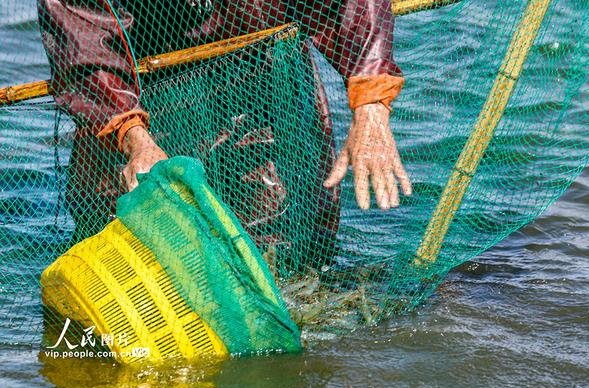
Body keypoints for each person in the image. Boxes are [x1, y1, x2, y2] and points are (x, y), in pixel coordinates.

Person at [38, 0, 412, 257]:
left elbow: (348, 6)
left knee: (283, 258)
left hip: (262, 91)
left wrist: (371, 106)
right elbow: (80, 37)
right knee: (121, 251)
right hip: (136, 102)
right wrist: (134, 137)